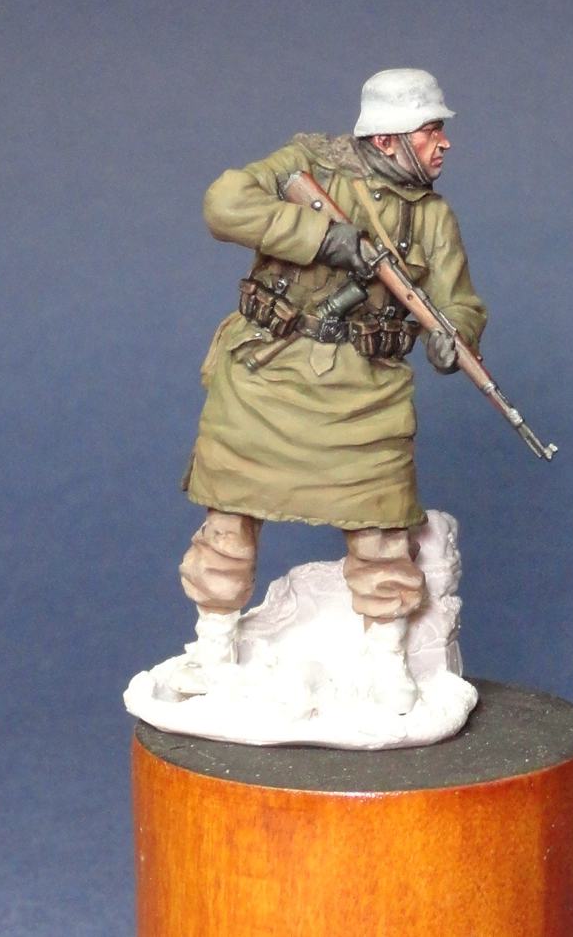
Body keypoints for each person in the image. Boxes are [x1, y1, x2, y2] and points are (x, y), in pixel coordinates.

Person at [174, 68, 487, 712]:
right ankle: (213, 647)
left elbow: (459, 300)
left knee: (384, 532)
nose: (445, 143)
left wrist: (452, 335)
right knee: (228, 520)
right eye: (431, 130)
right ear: (389, 138)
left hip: (365, 392)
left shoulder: (432, 217)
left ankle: (385, 659)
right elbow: (223, 204)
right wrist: (321, 237)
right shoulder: (307, 163)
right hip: (265, 373)